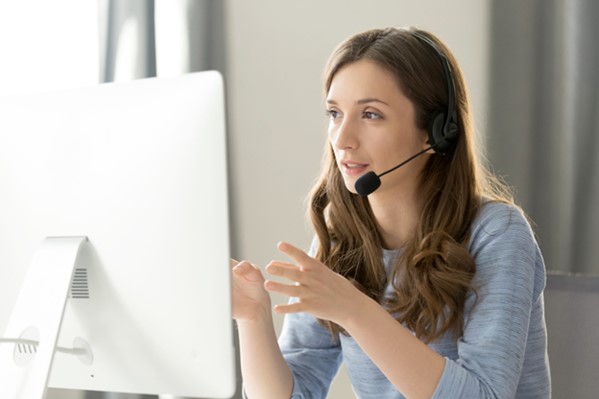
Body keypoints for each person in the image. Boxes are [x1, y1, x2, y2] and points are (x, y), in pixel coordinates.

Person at [231, 26, 551, 399]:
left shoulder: (497, 234)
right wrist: (253, 318)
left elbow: (485, 395)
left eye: (370, 114)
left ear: (435, 132)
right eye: (335, 113)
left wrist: (355, 310)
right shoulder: (339, 242)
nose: (342, 138)